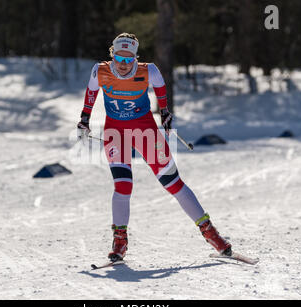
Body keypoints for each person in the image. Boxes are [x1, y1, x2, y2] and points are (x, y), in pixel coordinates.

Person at [77, 33, 232, 262]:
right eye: (119, 58)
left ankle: (211, 233)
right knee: (123, 186)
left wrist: (166, 112)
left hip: (145, 131)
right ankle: (120, 241)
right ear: (112, 55)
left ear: (136, 59)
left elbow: (160, 88)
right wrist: (84, 119)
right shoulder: (100, 71)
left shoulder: (148, 71)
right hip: (115, 132)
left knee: (173, 183)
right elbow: (91, 92)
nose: (123, 64)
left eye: (129, 60)